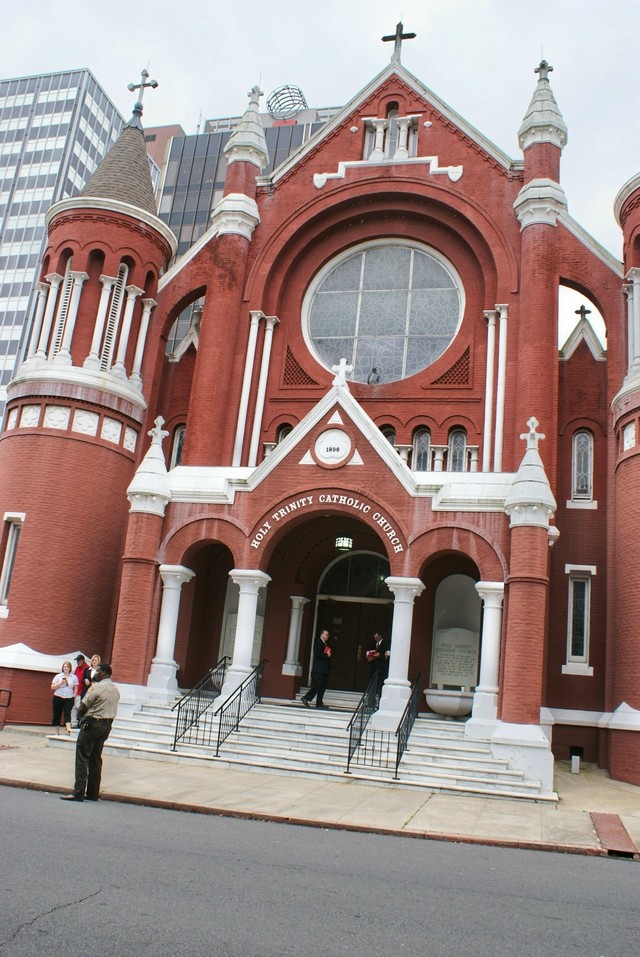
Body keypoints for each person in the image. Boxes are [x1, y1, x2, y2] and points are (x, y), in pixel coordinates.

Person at [60, 662, 120, 802]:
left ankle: (78, 792)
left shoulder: (97, 687)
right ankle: (93, 793)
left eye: (97, 671)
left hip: (93, 724)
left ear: (103, 673)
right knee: (95, 758)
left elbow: (83, 706)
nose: (94, 673)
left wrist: (80, 719)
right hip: (106, 725)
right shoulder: (115, 689)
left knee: (82, 757)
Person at [300, 629, 332, 709]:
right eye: (326, 634)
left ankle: (319, 702)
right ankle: (306, 697)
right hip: (319, 669)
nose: (327, 636)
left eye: (328, 635)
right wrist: (326, 655)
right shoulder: (318, 642)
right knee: (318, 685)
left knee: (322, 686)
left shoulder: (324, 644)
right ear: (322, 635)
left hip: (324, 669)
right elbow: (317, 654)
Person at [51, 661, 78, 735]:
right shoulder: (58, 676)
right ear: (62, 668)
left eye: (67, 667)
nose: (66, 668)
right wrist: (60, 683)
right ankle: (57, 732)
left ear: (70, 668)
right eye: (65, 667)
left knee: (67, 713)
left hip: (69, 697)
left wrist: (74, 696)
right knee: (57, 714)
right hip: (58, 696)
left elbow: (75, 687)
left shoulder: (74, 677)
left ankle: (68, 729)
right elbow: (52, 687)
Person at [366, 631, 391, 698]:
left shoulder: (386, 643)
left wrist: (380, 655)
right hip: (373, 666)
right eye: (375, 637)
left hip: (382, 667)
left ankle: (379, 698)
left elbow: (387, 654)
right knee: (372, 682)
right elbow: (369, 652)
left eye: (377, 637)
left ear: (380, 636)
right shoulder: (373, 643)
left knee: (380, 683)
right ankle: (370, 699)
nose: (376, 639)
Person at [71, 654, 88, 728]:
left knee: (79, 707)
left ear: (83, 660)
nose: (78, 662)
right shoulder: (77, 668)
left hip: (81, 692)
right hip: (75, 691)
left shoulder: (86, 668)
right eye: (77, 661)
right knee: (73, 707)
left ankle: (79, 723)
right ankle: (73, 723)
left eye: (79, 660)